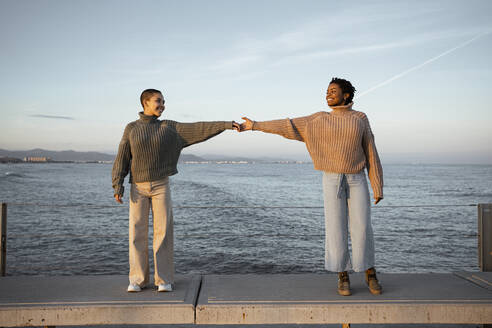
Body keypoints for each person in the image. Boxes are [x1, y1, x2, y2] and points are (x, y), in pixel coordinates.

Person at [238, 78, 383, 296]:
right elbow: (287, 126)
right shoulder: (317, 119)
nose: (328, 94)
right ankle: (342, 273)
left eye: (333, 91)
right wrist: (255, 126)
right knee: (336, 228)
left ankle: (369, 271)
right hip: (332, 178)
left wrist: (377, 185)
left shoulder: (359, 118)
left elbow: (370, 150)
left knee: (362, 227)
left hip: (357, 178)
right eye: (327, 91)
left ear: (346, 95)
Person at [112, 88, 239, 292]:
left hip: (161, 186)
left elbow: (198, 128)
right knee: (137, 234)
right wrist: (117, 184)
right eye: (158, 101)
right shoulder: (132, 128)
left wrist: (225, 125)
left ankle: (163, 280)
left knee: (163, 233)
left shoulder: (169, 127)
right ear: (145, 103)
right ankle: (137, 279)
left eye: (163, 102)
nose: (162, 105)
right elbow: (122, 157)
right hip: (138, 187)